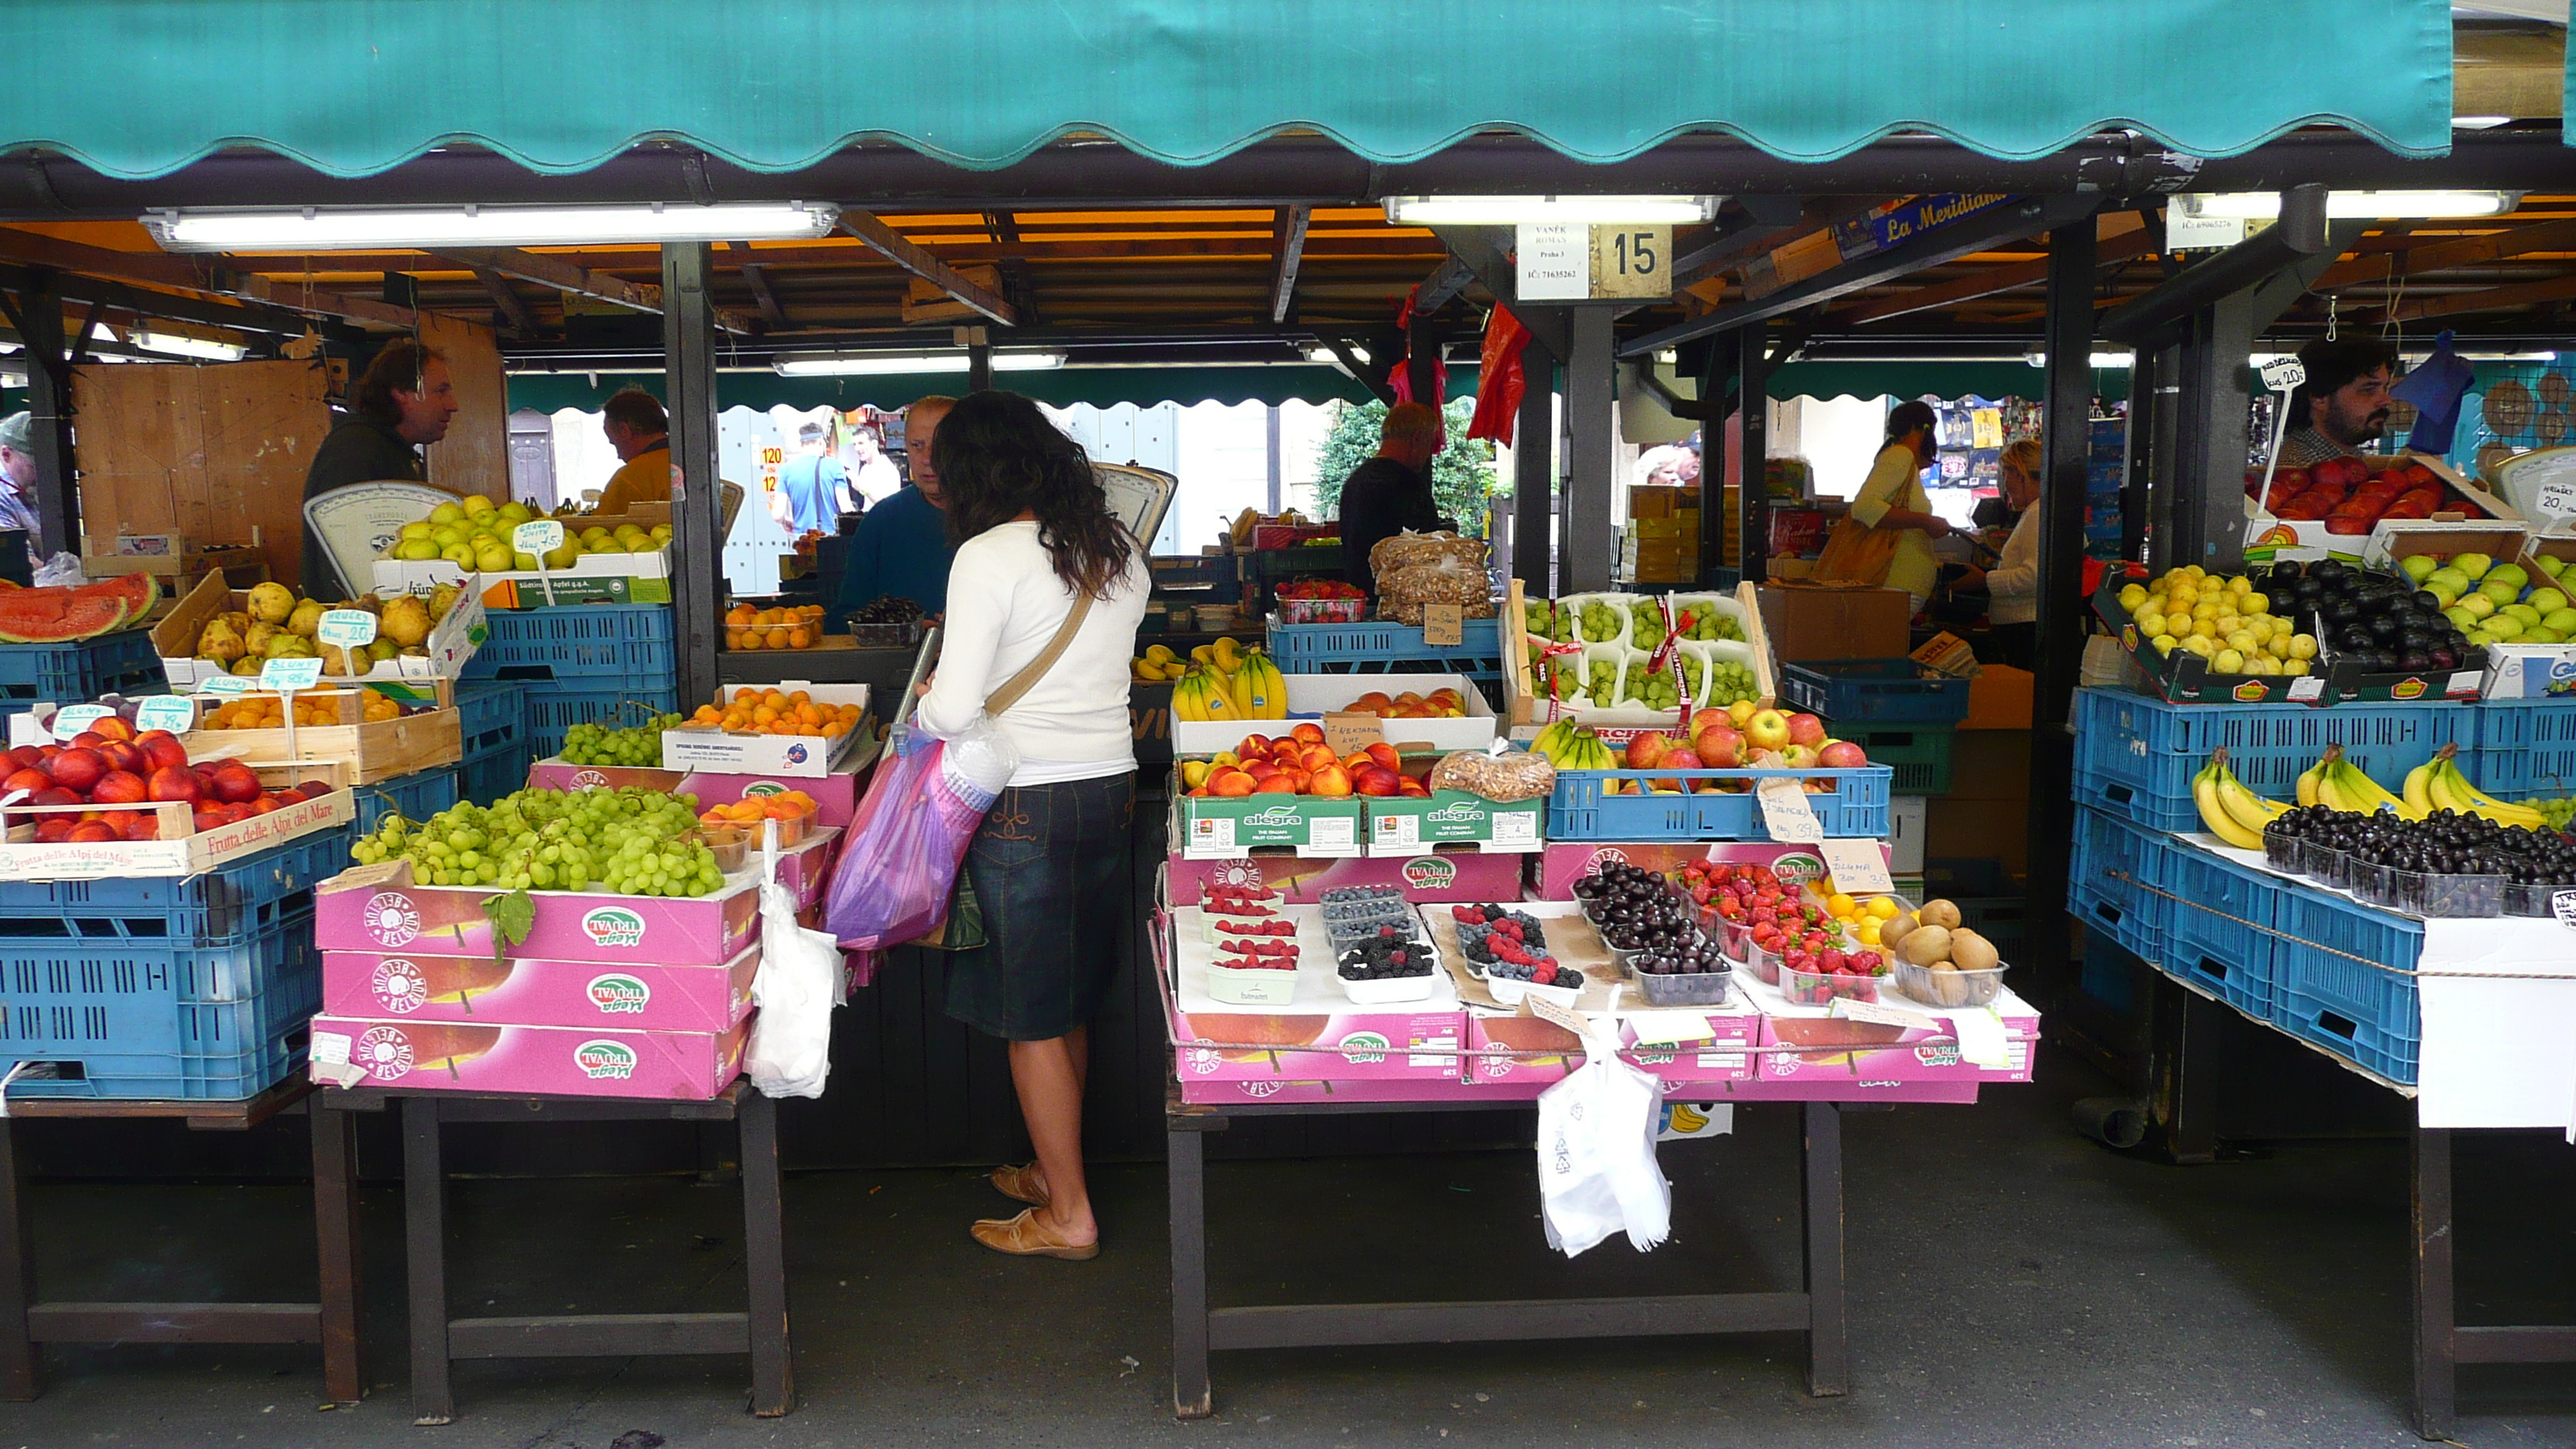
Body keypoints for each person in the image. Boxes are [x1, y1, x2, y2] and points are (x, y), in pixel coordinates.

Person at [913, 389, 1151, 1260]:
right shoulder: (1113, 546)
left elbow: (952, 711)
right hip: (1107, 790)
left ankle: (1070, 1218)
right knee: (1068, 999)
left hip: (1022, 804)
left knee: (1031, 1018)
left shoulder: (987, 554)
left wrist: (927, 705)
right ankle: (1057, 1175)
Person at [301, 338, 459, 598]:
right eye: (441, 391)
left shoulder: (392, 450)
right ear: (402, 394)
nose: (453, 404)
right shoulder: (354, 451)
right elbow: (344, 563)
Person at [837, 396, 959, 622]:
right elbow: (846, 617)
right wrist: (898, 633)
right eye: (917, 445)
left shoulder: (997, 519)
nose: (928, 459)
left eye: (941, 446)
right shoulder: (880, 522)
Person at [1336, 401, 1452, 596]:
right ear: (1417, 438)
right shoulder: (1406, 484)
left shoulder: (1356, 480)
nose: (1427, 456)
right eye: (1429, 443)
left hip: (1359, 598)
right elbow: (1430, 553)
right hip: (1399, 603)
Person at [1847, 399, 1951, 612]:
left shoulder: (1903, 459)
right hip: (1895, 585)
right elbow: (1864, 507)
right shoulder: (1899, 455)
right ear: (1921, 429)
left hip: (1898, 588)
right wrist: (1925, 521)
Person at [1972, 438, 2043, 669]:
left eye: (2006, 475)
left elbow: (2033, 577)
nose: (2006, 484)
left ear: (2020, 474)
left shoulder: (2037, 514)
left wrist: (1985, 581)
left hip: (2023, 627)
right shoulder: (2039, 511)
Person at [2277, 336, 2398, 468]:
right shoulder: (2303, 472)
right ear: (2319, 398)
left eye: (2385, 388)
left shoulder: (2346, 457)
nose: (2387, 400)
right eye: (2368, 390)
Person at [592, 389, 671, 514]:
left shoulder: (631, 477)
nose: (619, 456)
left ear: (624, 431)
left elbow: (600, 529)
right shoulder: (698, 463)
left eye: (615, 443)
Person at [769, 421, 849, 535]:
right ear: (821, 441)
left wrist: (784, 521)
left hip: (802, 541)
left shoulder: (786, 470)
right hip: (830, 540)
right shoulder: (834, 466)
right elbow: (846, 508)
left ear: (801, 444)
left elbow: (777, 515)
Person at [0, 411, 48, 564]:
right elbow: (21, 561)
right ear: (7, 455)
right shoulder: (2, 498)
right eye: (34, 465)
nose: (44, 473)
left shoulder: (32, 487)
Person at [847, 422, 902, 511]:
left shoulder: (887, 469)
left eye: (861, 443)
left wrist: (864, 489)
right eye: (855, 444)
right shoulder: (865, 469)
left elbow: (889, 506)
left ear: (874, 444)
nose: (857, 449)